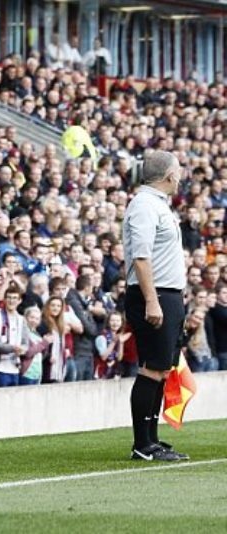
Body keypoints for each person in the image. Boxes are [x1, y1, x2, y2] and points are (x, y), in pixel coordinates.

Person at [123, 150, 189, 461]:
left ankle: (151, 438)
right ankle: (142, 443)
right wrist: (152, 300)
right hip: (155, 295)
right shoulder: (145, 206)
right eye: (179, 171)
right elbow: (141, 257)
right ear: (169, 175)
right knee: (152, 368)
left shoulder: (158, 204)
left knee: (162, 369)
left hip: (167, 294)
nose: (181, 177)